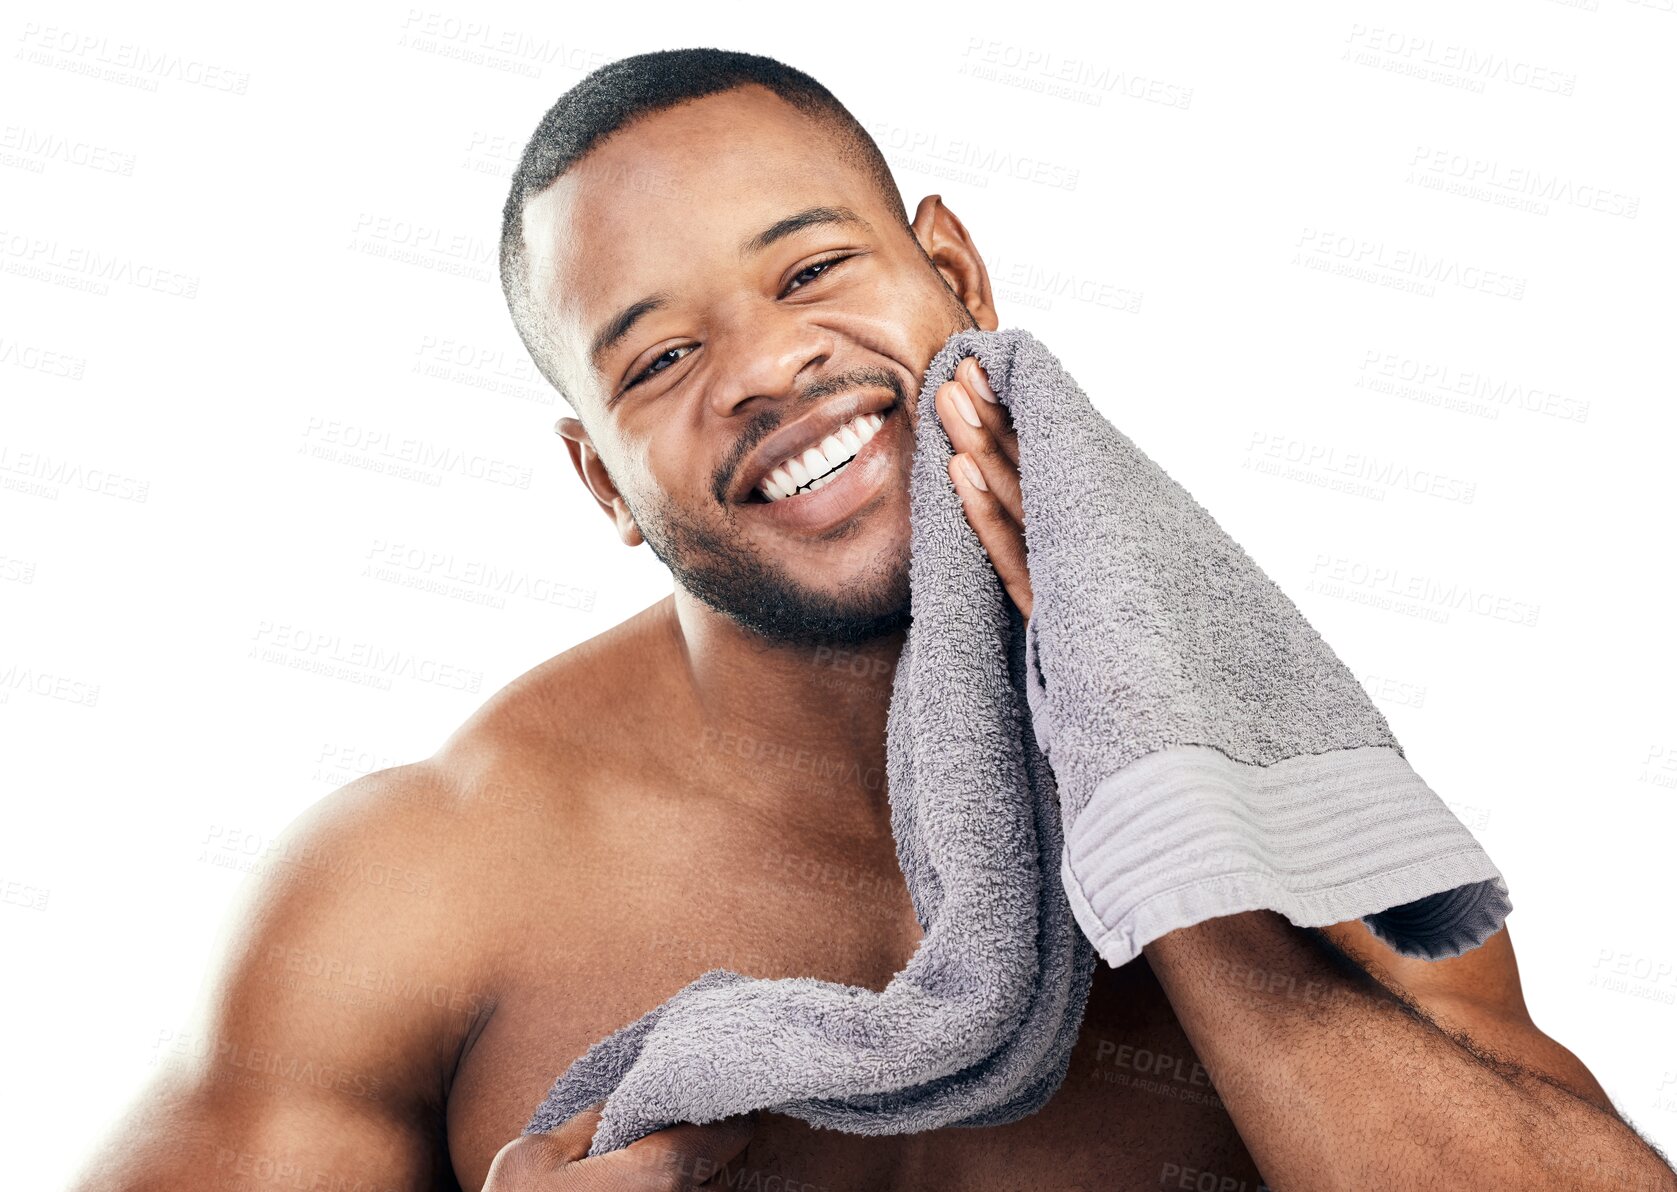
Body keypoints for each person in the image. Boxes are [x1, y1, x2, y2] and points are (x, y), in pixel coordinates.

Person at [71, 48, 1675, 1192]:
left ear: (956, 274)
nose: (764, 369)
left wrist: (1179, 865)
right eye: (654, 360)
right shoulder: (420, 884)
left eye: (810, 269)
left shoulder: (1265, 781)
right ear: (601, 481)